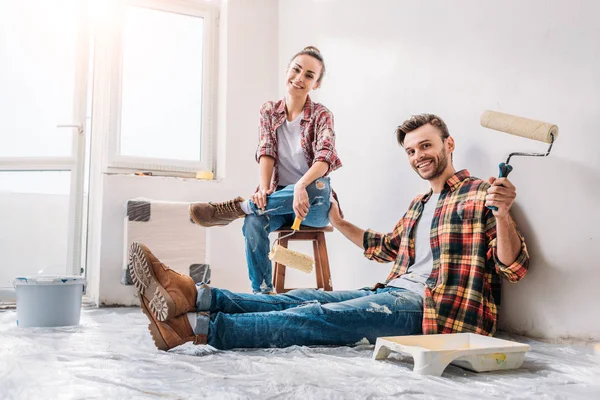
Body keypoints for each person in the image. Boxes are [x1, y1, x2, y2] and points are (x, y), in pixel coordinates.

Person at [129, 113, 529, 351]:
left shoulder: (482, 194)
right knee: (304, 296)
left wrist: (505, 213)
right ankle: (196, 295)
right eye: (410, 151)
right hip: (393, 292)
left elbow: (513, 268)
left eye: (425, 146)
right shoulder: (420, 204)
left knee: (318, 316)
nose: (418, 156)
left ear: (448, 144)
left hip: (435, 311)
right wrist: (338, 223)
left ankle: (195, 328)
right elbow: (384, 247)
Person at [188, 46, 342, 294]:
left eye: (309, 75)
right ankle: (262, 293)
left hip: (314, 205)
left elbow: (325, 157)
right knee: (253, 221)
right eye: (296, 69)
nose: (300, 78)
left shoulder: (322, 114)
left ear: (317, 84)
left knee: (317, 186)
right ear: (287, 70)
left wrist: (301, 185)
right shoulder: (269, 111)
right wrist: (264, 188)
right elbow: (266, 150)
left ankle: (239, 207)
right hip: (278, 201)